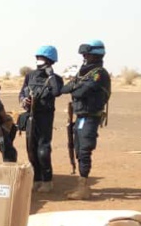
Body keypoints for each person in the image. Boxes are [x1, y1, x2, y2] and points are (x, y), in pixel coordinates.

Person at [61, 40, 111, 200]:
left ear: (96, 55)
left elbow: (79, 92)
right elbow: (65, 89)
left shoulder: (99, 74)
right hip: (81, 116)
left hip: (90, 117)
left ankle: (83, 188)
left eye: (86, 54)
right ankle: (81, 185)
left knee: (84, 150)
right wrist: (75, 85)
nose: (84, 57)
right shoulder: (84, 73)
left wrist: (75, 86)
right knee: (78, 148)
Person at [18, 45, 64, 192]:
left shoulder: (56, 79)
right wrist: (24, 100)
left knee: (43, 150)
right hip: (31, 116)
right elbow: (21, 93)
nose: (39, 61)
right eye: (38, 58)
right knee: (31, 149)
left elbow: (57, 92)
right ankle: (36, 179)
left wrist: (50, 76)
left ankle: (47, 181)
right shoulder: (30, 76)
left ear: (51, 61)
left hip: (45, 117)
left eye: (42, 58)